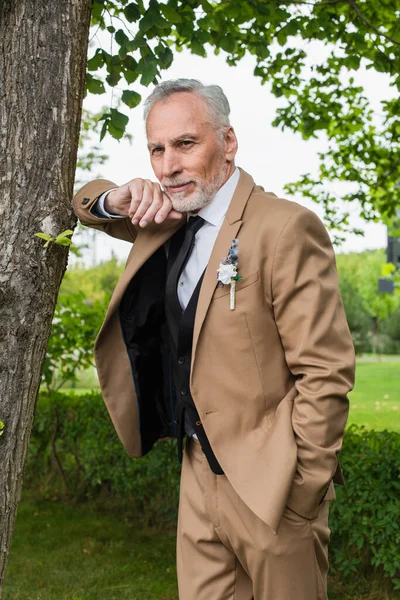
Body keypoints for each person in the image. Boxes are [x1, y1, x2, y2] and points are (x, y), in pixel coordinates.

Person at [73, 78, 355, 600]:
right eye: (156, 149)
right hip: (198, 478)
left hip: (274, 488)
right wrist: (119, 196)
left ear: (227, 142)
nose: (167, 165)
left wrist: (301, 493)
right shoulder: (166, 220)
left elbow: (326, 373)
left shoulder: (285, 228)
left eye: (185, 144)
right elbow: (84, 203)